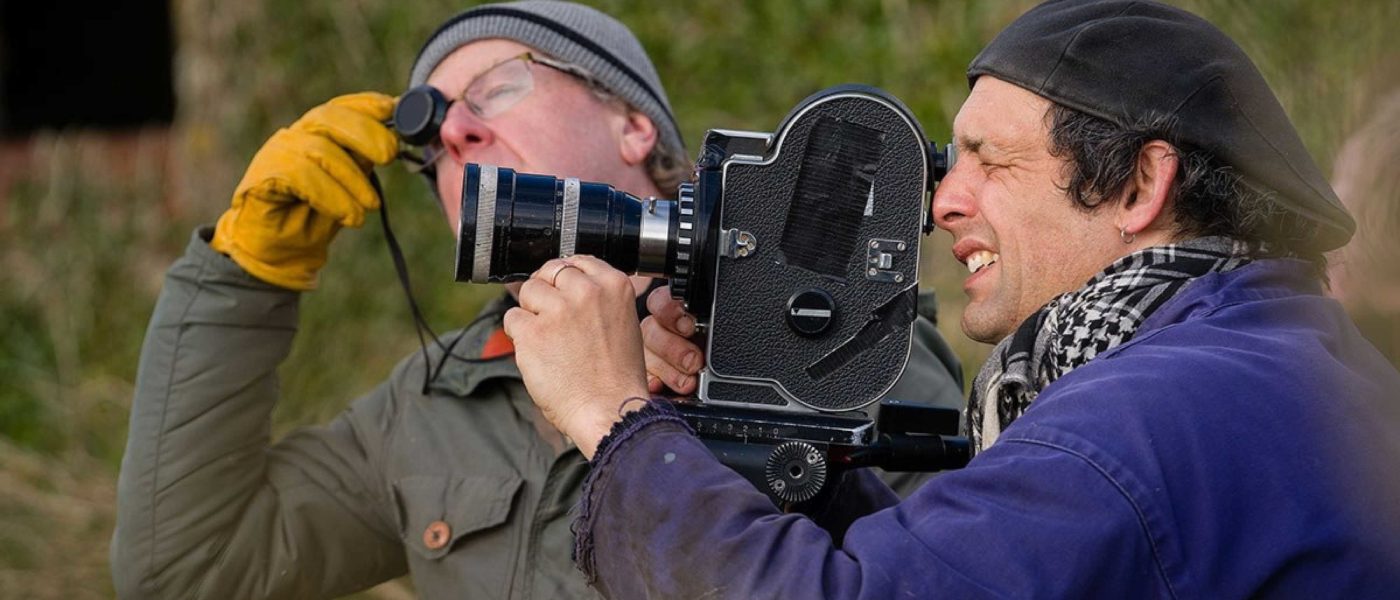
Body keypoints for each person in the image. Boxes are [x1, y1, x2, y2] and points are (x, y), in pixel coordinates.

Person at [507, 0, 1400, 597]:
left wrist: (612, 416)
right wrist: (763, 439)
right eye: (950, 160)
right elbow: (959, 573)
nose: (941, 205)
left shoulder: (1160, 412)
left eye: (992, 162)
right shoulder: (1266, 362)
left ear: (1138, 186)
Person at [109, 1, 964, 598]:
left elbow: (934, 576)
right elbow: (187, 568)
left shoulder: (819, 326)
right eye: (434, 141)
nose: (457, 132)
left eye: (497, 89)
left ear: (632, 123)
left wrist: (679, 411)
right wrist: (246, 274)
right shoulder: (435, 401)